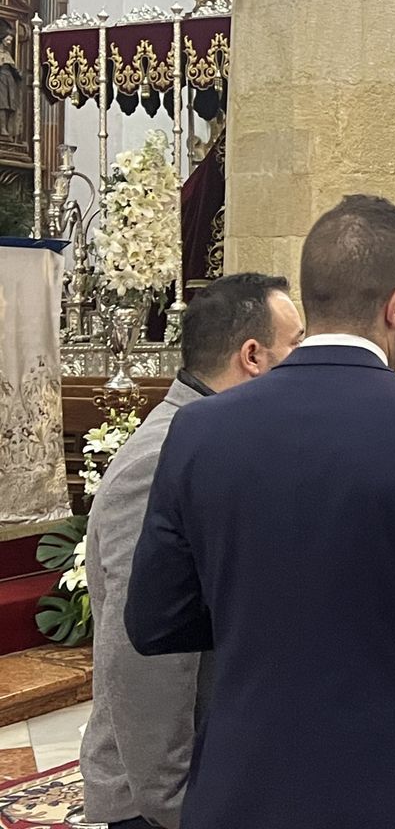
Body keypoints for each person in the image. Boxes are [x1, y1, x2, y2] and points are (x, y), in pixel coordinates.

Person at [124, 194, 395, 829]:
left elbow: (153, 620)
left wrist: (259, 621)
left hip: (244, 768)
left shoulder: (200, 430)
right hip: (392, 773)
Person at [82, 274, 303, 829]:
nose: (310, 362)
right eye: (297, 344)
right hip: (163, 800)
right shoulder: (161, 460)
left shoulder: (214, 442)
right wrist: (176, 801)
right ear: (253, 356)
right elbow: (143, 653)